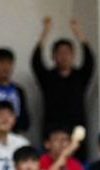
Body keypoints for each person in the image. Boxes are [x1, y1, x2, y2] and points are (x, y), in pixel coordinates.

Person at [31, 16, 95, 150]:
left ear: (73, 55)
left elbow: (90, 60)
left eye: (67, 52)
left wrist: (78, 32)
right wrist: (46, 31)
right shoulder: (47, 77)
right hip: (51, 130)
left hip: (77, 132)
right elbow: (36, 61)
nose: (64, 56)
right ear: (53, 56)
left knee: (77, 166)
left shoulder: (80, 76)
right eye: (60, 53)